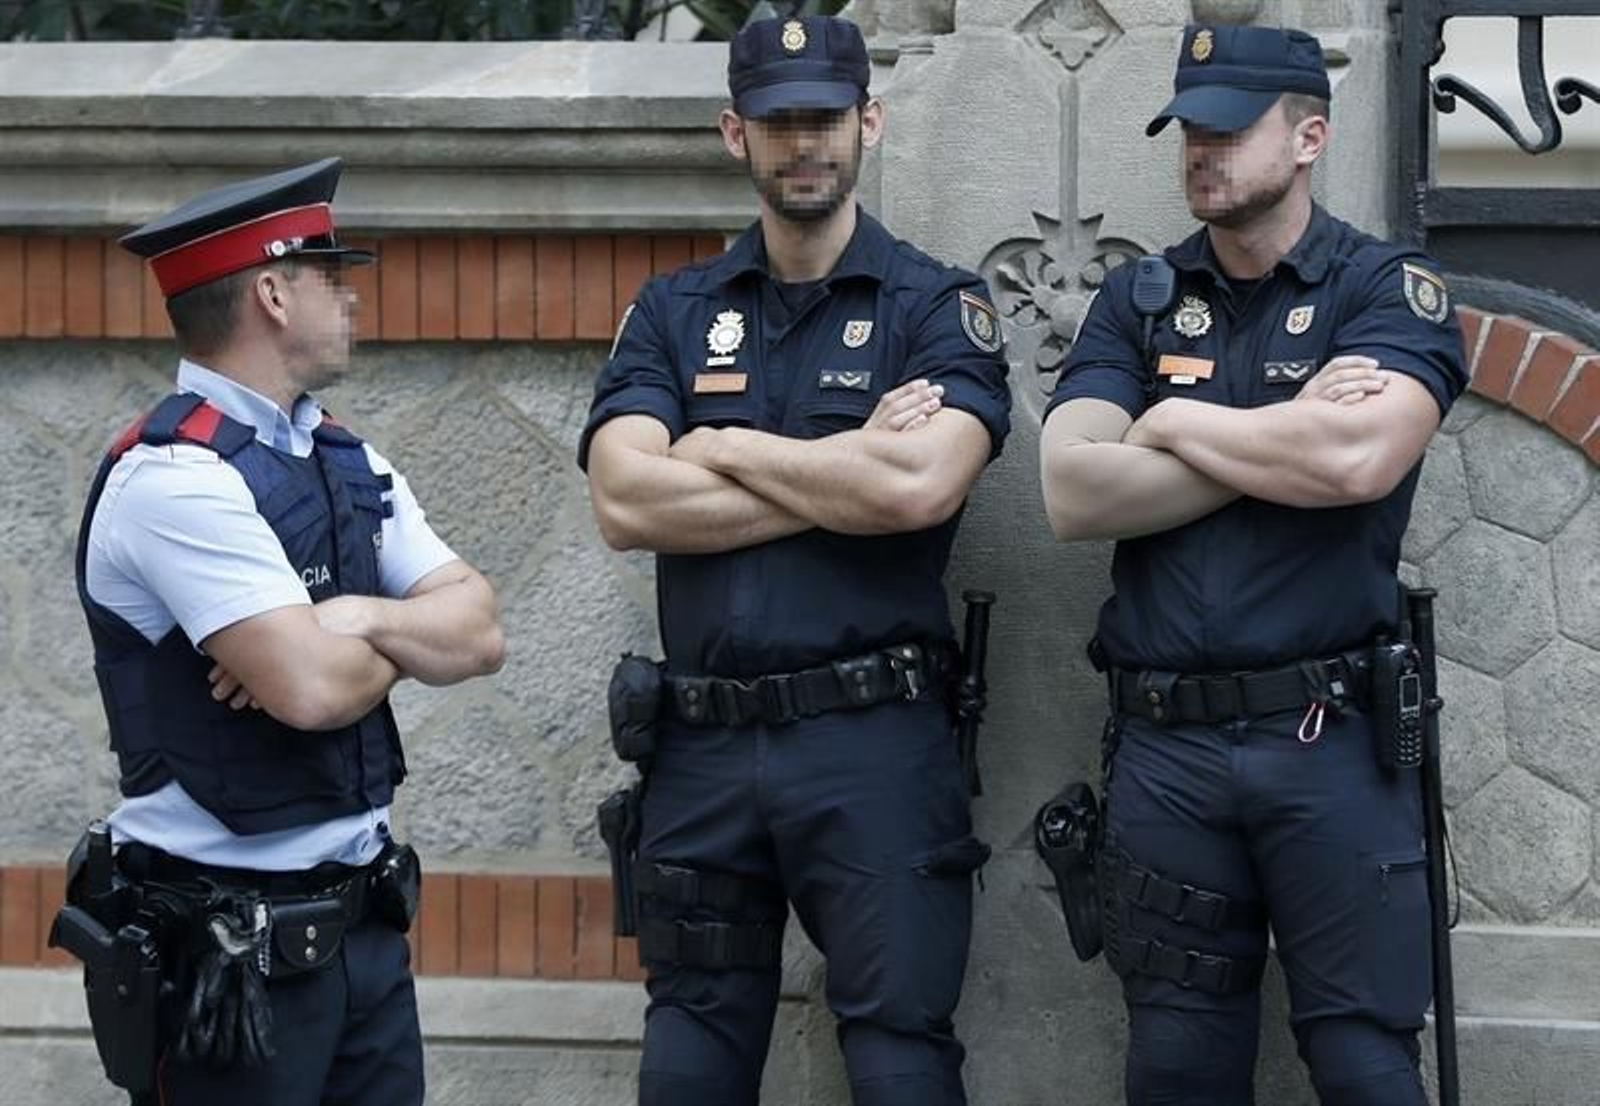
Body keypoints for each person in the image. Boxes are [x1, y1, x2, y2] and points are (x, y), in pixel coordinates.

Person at [580, 15, 1011, 1106]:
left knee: (900, 1057)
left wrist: (725, 446)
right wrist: (841, 465)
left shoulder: (933, 305)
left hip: (871, 745)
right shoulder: (674, 312)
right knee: (685, 1064)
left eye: (824, 116)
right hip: (702, 754)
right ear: (737, 133)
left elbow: (917, 487)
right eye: (778, 122)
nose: (803, 143)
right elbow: (626, 497)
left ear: (867, 120)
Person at [1039, 24, 1467, 1106]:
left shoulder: (1384, 289)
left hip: (1328, 739)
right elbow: (1072, 489)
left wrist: (1168, 421)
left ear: (1309, 135)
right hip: (1166, 748)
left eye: (1228, 129)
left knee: (1366, 1063)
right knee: (1177, 1065)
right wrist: (1268, 424)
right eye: (1189, 128)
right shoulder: (1136, 300)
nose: (1201, 151)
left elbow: (1358, 456)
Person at [71, 158, 505, 1106]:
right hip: (230, 961)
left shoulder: (342, 455)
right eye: (330, 275)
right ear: (272, 291)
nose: (350, 296)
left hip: (364, 934)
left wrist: (355, 618)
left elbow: (479, 631)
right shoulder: (173, 480)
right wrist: (390, 640)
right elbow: (307, 692)